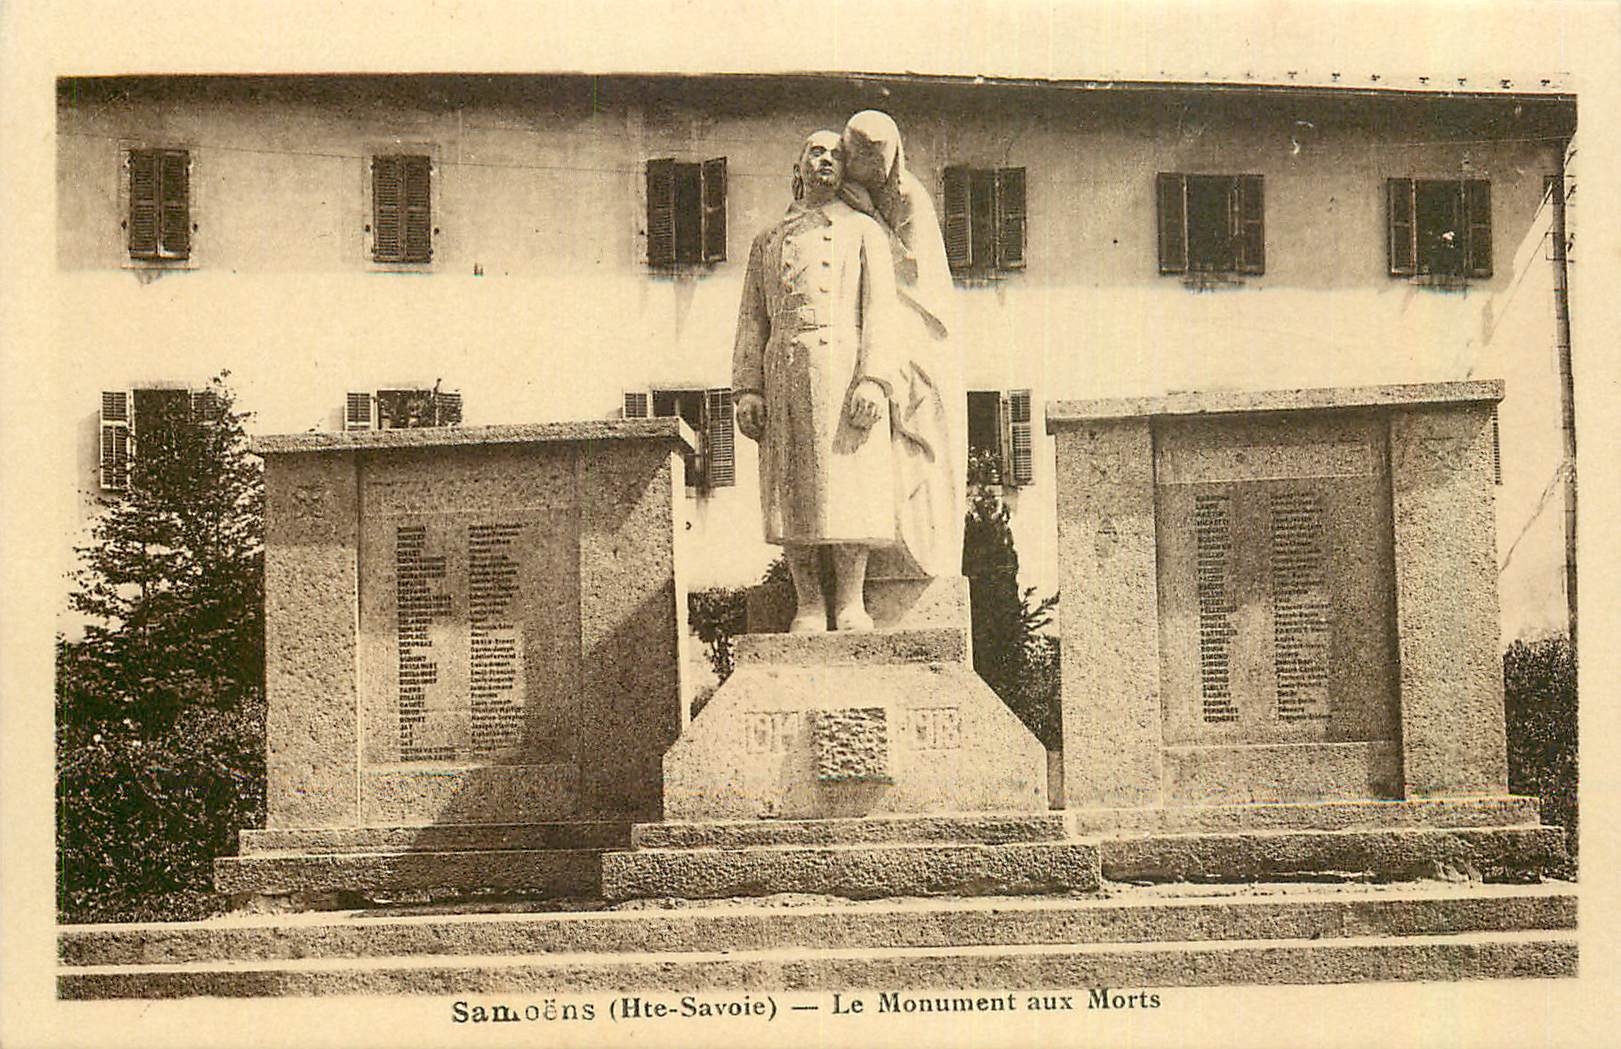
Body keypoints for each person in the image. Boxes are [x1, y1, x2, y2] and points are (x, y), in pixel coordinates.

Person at [732, 131, 904, 632]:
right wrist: (747, 388)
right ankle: (808, 602)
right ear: (800, 164)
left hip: (844, 368)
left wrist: (874, 379)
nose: (826, 160)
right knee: (793, 492)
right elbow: (751, 318)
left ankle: (850, 602)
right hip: (784, 366)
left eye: (835, 154)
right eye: (816, 151)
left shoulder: (863, 232)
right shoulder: (768, 239)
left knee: (848, 486)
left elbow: (880, 310)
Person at [839, 109, 965, 580]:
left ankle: (916, 546)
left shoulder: (907, 197)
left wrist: (870, 217)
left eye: (877, 157)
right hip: (866, 331)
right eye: (860, 156)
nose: (869, 166)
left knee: (914, 432)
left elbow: (912, 272)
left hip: (916, 324)